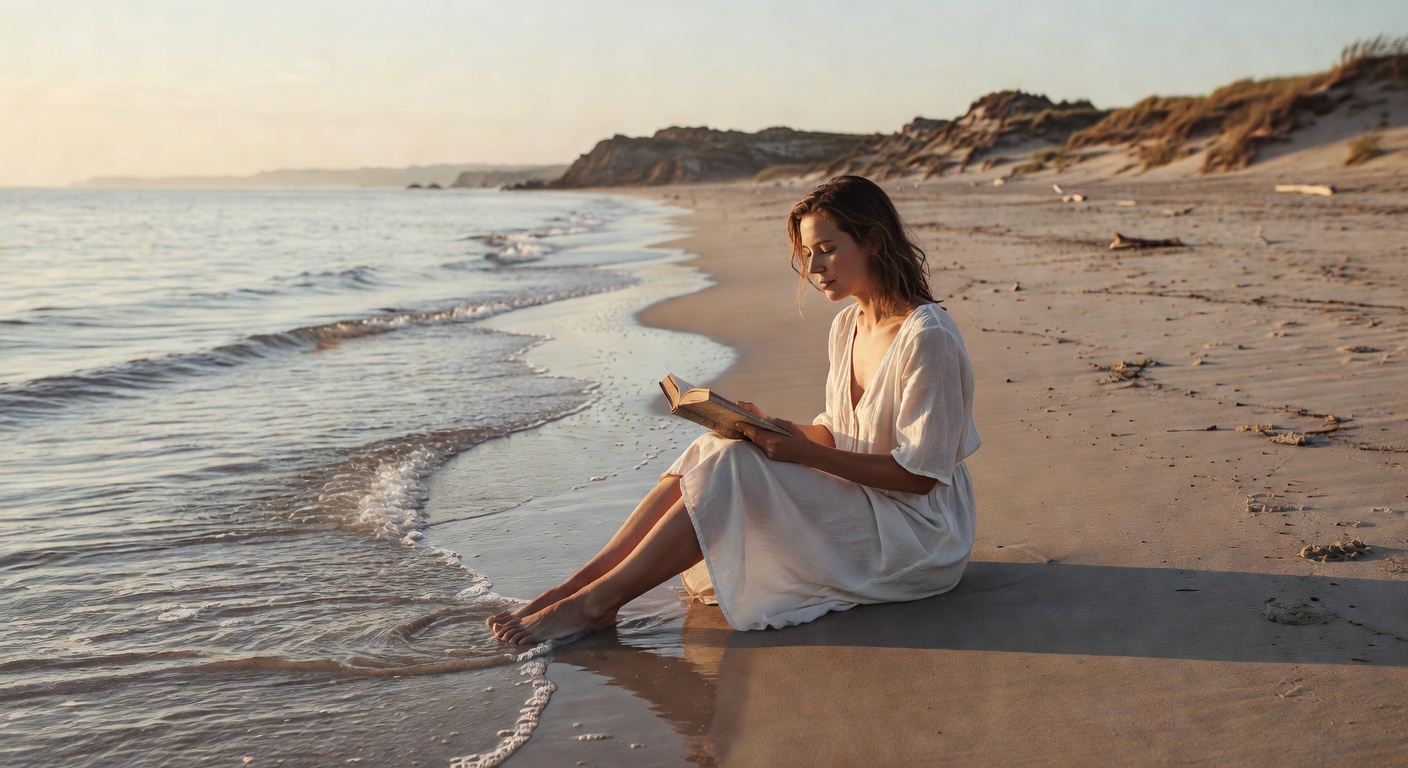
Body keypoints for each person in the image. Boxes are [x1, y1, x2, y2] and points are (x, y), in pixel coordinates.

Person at [489, 175, 980, 644]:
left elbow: (922, 476)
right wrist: (772, 429)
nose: (813, 268)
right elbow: (841, 433)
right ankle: (579, 587)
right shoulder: (848, 325)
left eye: (828, 250)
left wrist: (801, 455)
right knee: (713, 444)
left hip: (919, 537)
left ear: (872, 240)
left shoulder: (927, 337)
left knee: (734, 465)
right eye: (808, 254)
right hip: (865, 501)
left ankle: (596, 604)